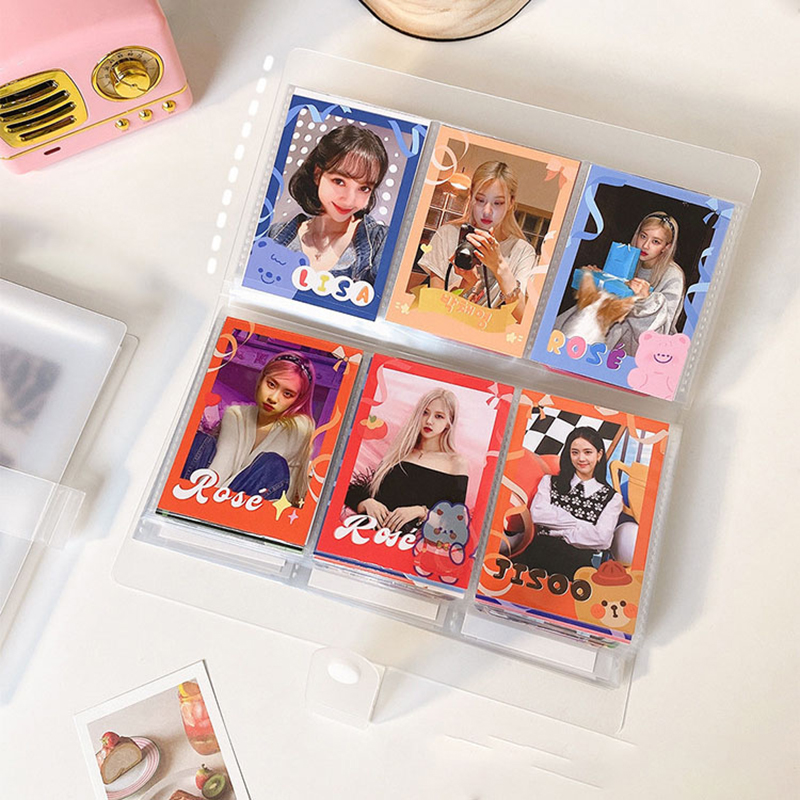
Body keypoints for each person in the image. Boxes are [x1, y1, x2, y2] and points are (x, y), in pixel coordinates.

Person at [267, 125, 390, 285]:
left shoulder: (380, 243)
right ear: (318, 174)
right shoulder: (275, 235)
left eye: (364, 188)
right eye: (339, 181)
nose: (349, 200)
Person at [418, 161, 538, 322]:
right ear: (471, 196)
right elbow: (433, 306)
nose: (487, 211)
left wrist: (499, 267)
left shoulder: (522, 251)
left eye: (498, 203)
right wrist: (466, 284)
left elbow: (522, 317)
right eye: (480, 200)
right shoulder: (447, 234)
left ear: (511, 202)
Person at [560, 212, 685, 356]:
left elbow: (660, 335)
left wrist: (646, 300)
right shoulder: (628, 260)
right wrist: (600, 278)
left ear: (666, 247)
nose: (645, 245)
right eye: (643, 236)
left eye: (656, 242)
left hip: (639, 354)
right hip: (607, 343)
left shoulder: (673, 276)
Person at [345, 388, 469, 533]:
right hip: (366, 533)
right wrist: (366, 503)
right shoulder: (399, 452)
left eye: (439, 416)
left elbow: (455, 524)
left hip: (408, 543)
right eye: (425, 413)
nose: (429, 421)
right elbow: (353, 492)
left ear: (449, 422)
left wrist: (421, 512)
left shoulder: (455, 462)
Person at [207, 352, 316, 506]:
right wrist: (202, 498)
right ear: (261, 379)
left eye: (287, 394)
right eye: (271, 384)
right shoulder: (235, 414)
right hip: (223, 499)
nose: (273, 398)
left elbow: (257, 474)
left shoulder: (299, 427)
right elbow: (221, 465)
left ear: (298, 400)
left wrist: (215, 501)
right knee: (202, 442)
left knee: (271, 463)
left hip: (264, 508)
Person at [514, 427, 623, 580]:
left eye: (588, 452)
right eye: (575, 452)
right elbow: (537, 514)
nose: (581, 458)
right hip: (534, 558)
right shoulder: (549, 481)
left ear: (599, 455)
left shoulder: (612, 498)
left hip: (576, 569)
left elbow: (603, 539)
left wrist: (558, 531)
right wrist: (580, 524)